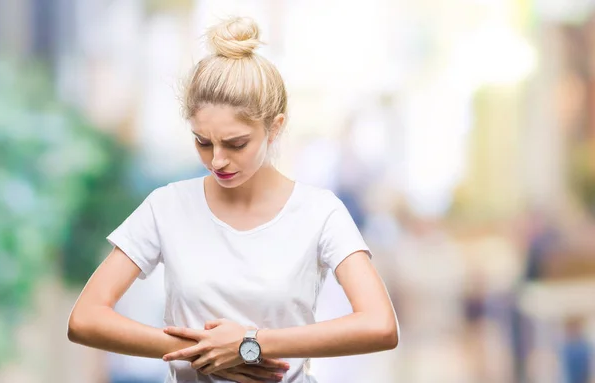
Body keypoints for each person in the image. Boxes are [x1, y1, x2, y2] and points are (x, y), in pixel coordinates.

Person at [67, 16, 399, 383]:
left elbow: (380, 324)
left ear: (275, 127)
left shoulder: (320, 212)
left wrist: (250, 344)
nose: (217, 160)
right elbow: (86, 318)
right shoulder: (167, 206)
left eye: (236, 143)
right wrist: (203, 353)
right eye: (203, 142)